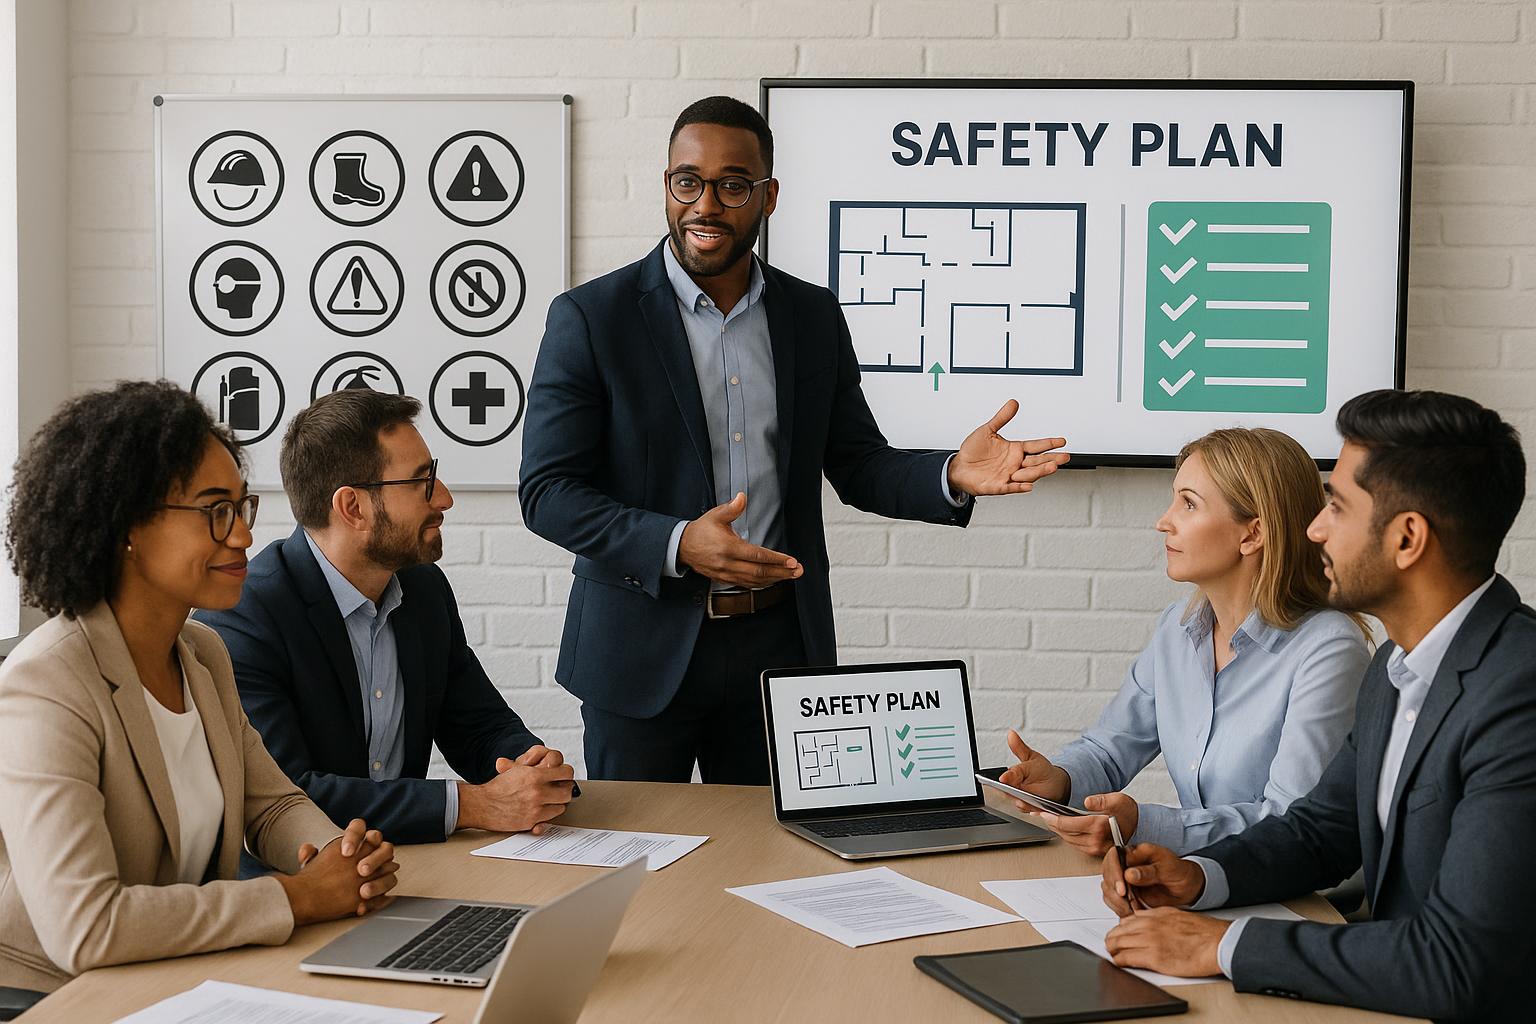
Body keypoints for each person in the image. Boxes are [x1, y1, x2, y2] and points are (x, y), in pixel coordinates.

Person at [520, 95, 1071, 784]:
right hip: (638, 651)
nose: (705, 205)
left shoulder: (810, 315)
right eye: (686, 181)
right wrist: (678, 541)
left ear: (768, 195)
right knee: (639, 865)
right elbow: (547, 494)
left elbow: (858, 464)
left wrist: (951, 474)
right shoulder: (591, 318)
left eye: (732, 185)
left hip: (779, 650)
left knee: (766, 870)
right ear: (667, 184)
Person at [1097, 389, 1534, 1023]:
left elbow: (1458, 961)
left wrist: (1225, 945)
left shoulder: (1519, 693)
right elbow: (1320, 832)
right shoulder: (1396, 667)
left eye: (1337, 506)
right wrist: (1198, 876)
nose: (1313, 529)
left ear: (1408, 538)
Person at [0, 381, 399, 1000]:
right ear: (126, 525)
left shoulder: (201, 653)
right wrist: (295, 896)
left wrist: (338, 856)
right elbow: (84, 928)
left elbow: (271, 806)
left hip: (180, 975)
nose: (242, 536)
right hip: (54, 995)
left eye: (243, 507)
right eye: (215, 510)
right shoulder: (46, 684)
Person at [198, 391, 574, 853]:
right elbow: (287, 795)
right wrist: (474, 806)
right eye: (422, 482)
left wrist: (528, 766)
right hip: (299, 882)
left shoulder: (423, 590)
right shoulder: (244, 616)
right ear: (353, 507)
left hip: (406, 862)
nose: (445, 498)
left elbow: (477, 724)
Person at [1000, 428, 1371, 856]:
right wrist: (1060, 780)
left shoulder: (1328, 649)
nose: (1164, 520)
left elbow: (1291, 820)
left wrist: (1144, 825)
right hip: (1198, 880)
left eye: (1189, 503)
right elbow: (1109, 749)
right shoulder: (1178, 627)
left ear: (1252, 534)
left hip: (1299, 900)